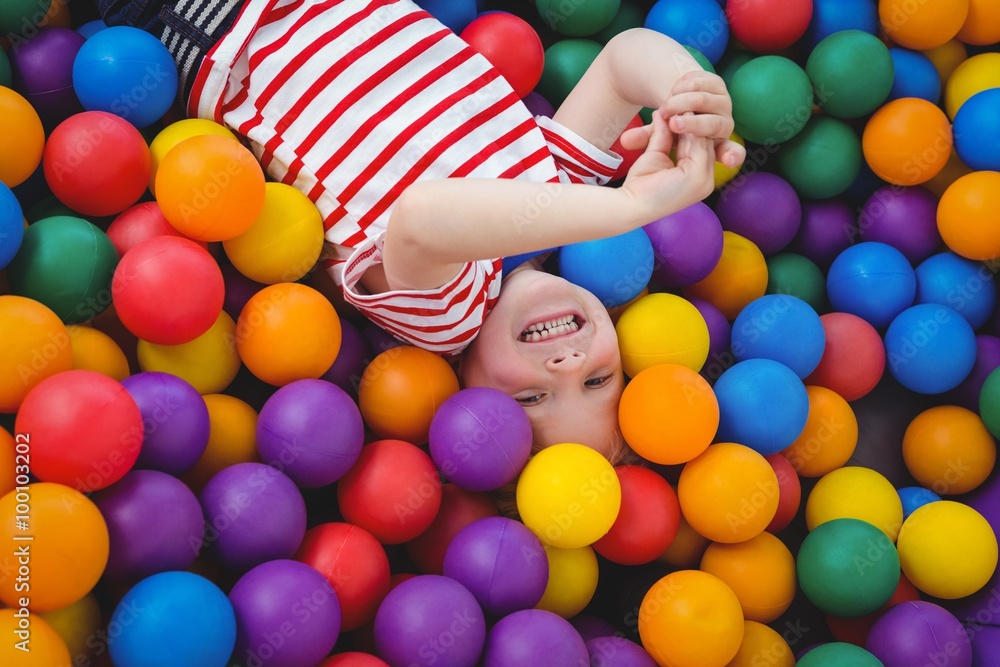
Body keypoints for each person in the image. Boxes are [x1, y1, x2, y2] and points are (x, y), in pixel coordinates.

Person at [98, 0, 745, 460]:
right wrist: (688, 94)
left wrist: (631, 208)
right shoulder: (566, 200)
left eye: (533, 395)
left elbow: (423, 217)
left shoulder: (445, 315)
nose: (568, 364)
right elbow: (623, 60)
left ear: (466, 391)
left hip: (213, 28)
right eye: (598, 380)